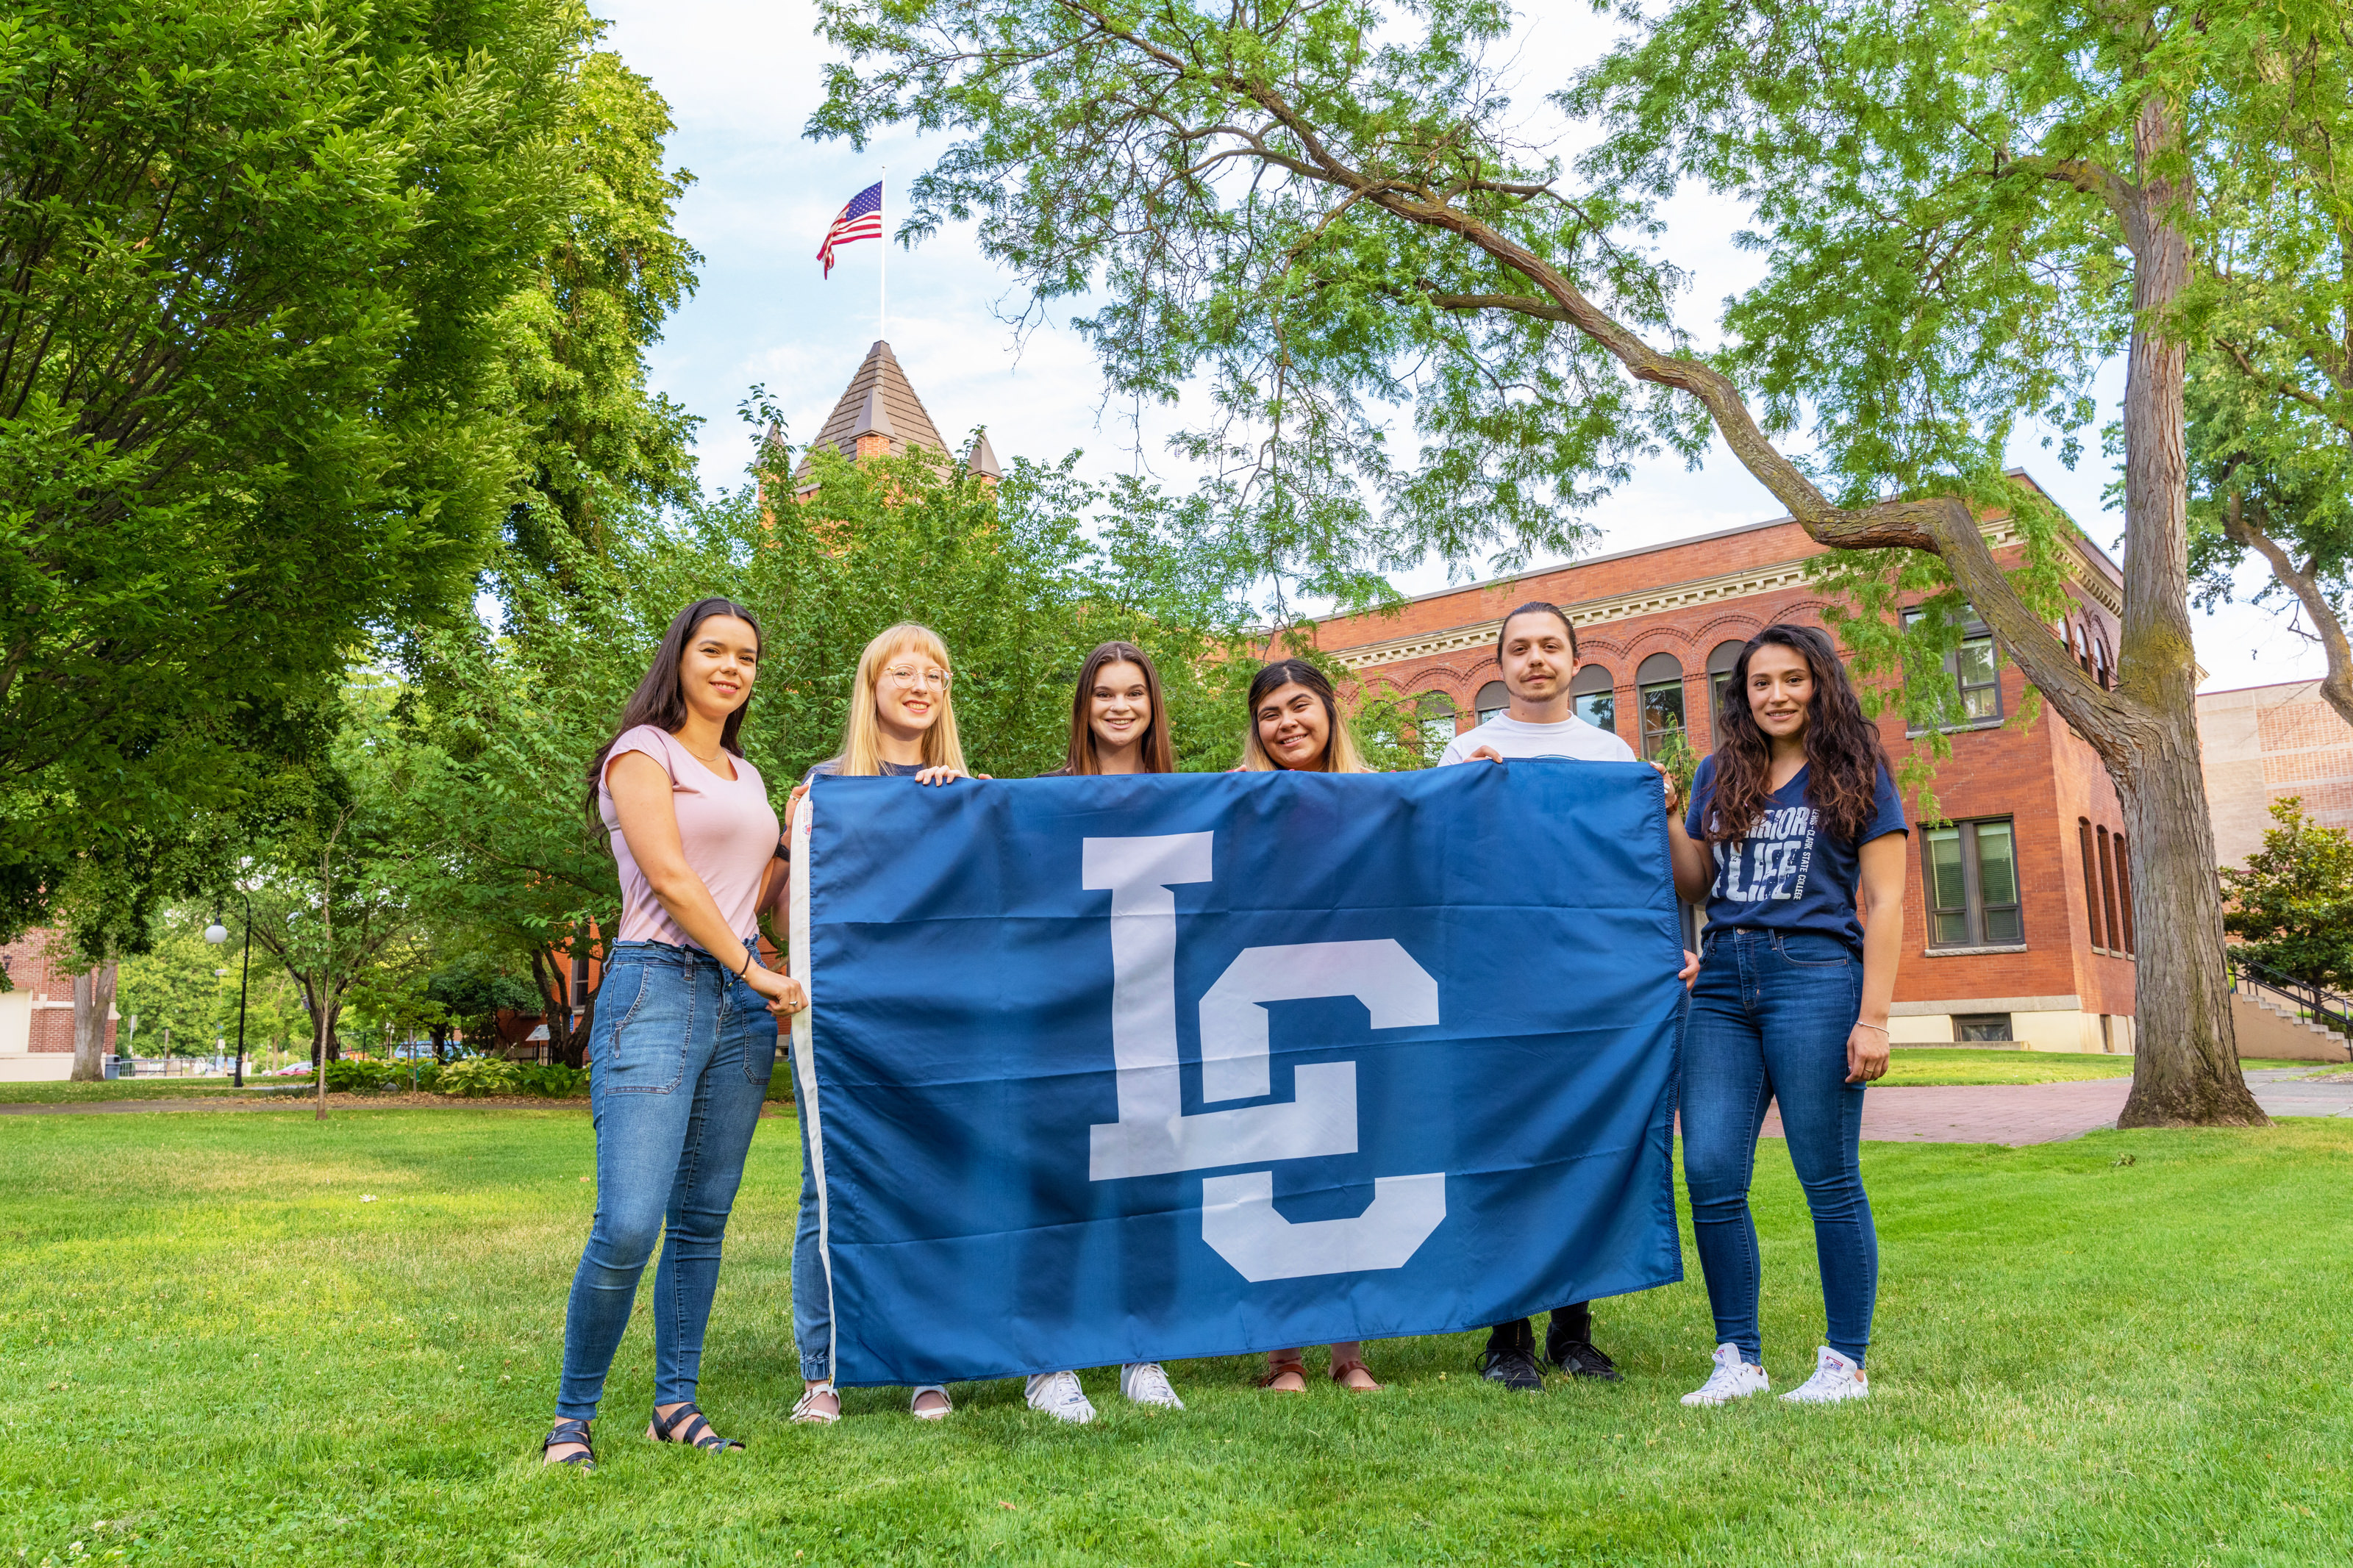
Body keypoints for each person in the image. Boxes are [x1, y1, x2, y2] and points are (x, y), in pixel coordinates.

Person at [541, 598, 807, 1470]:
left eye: (747, 657)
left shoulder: (747, 774)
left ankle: (674, 1403)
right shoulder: (640, 753)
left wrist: (808, 825)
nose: (732, 668)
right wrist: (756, 968)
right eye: (714, 651)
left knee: (701, 1220)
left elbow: (756, 891)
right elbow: (670, 875)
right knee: (627, 1222)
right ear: (680, 659)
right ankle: (571, 1419)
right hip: (654, 989)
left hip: (734, 1014)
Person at [1440, 601, 1695, 1394]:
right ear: (1500, 665)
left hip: (1589, 990)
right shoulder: (1464, 751)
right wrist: (1458, 798)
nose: (1535, 659)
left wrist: (1663, 950)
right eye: (1519, 648)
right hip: (1497, 987)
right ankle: (1505, 1336)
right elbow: (1436, 873)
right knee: (1507, 1152)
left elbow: (1641, 880)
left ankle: (1572, 1332)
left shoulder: (1608, 753)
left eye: (1549, 646)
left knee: (1586, 1146)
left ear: (1575, 660)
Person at [1666, 623, 1907, 1407]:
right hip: (1725, 981)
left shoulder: (1856, 769)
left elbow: (1887, 900)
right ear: (1742, 695)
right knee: (1708, 1169)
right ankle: (1736, 1359)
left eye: (1792, 680)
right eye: (1760, 683)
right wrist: (1672, 814)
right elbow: (1697, 883)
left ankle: (1844, 1364)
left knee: (1826, 1177)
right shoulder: (1717, 772)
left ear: (1819, 685)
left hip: (1816, 976)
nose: (1775, 695)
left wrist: (1873, 1018)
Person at [785, 623, 975, 1428]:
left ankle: (925, 1369)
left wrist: (971, 807)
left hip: (936, 1019)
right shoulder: (826, 785)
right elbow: (786, 910)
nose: (919, 685)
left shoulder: (965, 789)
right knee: (826, 1191)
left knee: (929, 1185)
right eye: (902, 672)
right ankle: (822, 1376)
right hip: (842, 1024)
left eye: (934, 674)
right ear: (871, 688)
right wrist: (794, 831)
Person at [1018, 641, 1190, 1422]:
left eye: (1134, 694)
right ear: (1082, 708)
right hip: (1071, 1025)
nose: (1119, 708)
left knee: (1149, 1193)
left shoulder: (1190, 797)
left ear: (1153, 707)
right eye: (1102, 695)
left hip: (1157, 1023)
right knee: (1062, 1193)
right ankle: (1047, 1364)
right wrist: (945, 798)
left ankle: (1141, 1354)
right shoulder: (1047, 797)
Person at [1235, 657, 1382, 1392]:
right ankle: (1282, 1354)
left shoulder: (1375, 798)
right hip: (1265, 1010)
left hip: (1355, 1007)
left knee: (1346, 1173)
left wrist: (1477, 773)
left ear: (1329, 712)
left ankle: (1348, 1351)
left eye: (1299, 707)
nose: (1287, 723)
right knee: (1280, 1177)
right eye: (1269, 713)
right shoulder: (1237, 802)